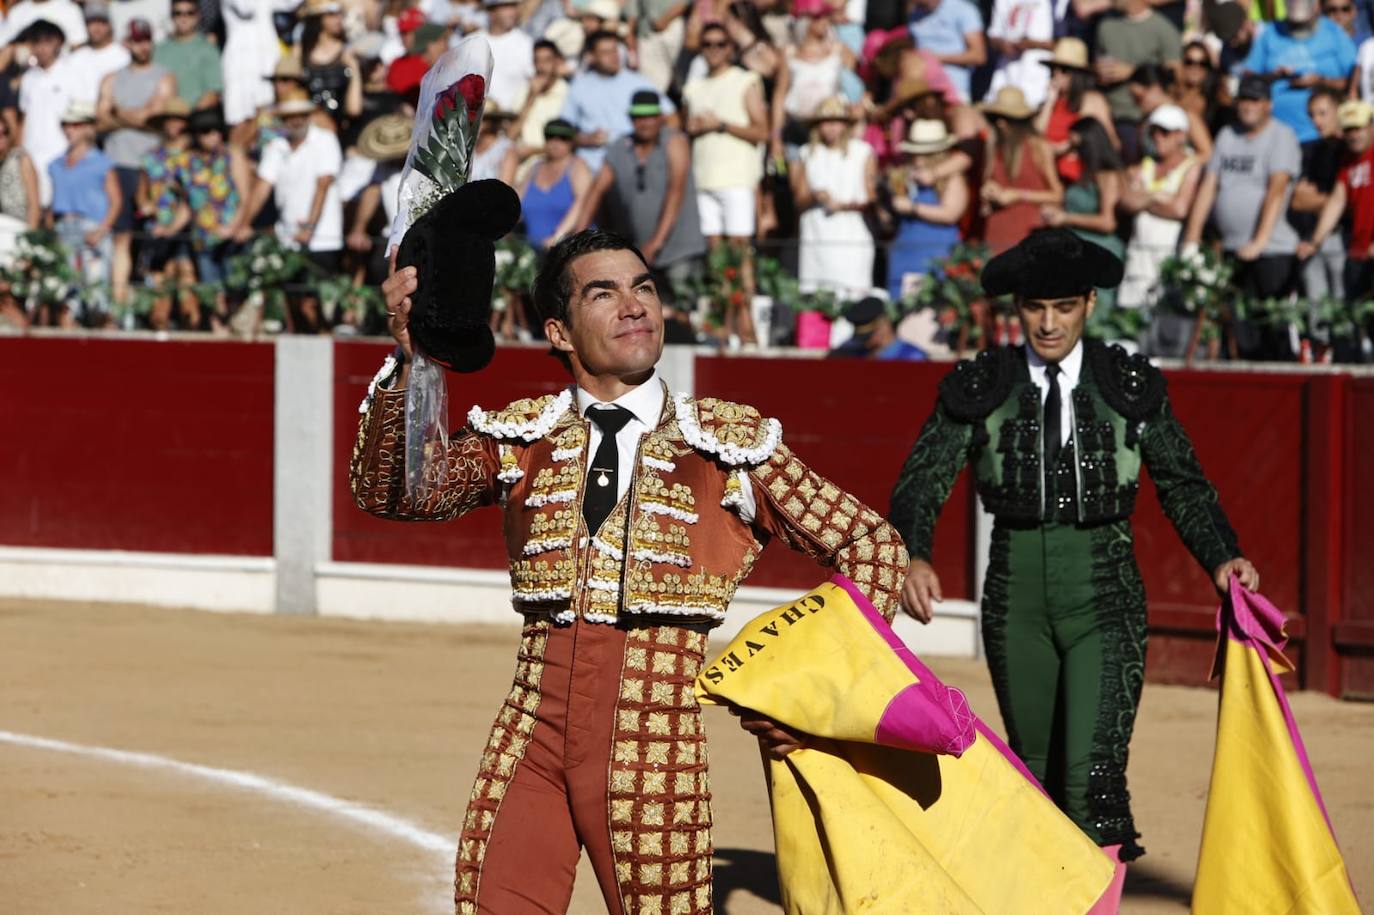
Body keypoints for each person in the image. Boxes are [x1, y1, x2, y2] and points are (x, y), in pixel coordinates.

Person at [359, 226, 912, 913]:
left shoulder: (726, 445)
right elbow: (399, 490)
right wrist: (412, 360)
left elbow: (873, 546)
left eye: (644, 287)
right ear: (559, 331)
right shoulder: (525, 437)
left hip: (656, 747)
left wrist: (811, 689)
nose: (635, 305)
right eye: (605, 292)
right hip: (531, 731)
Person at [889, 227, 1259, 914]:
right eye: (1035, 307)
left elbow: (1183, 482)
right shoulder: (984, 384)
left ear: (1090, 302)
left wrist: (1221, 554)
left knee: (1093, 779)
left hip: (1106, 592)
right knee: (1034, 774)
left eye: (1064, 305)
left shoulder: (1127, 385)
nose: (1049, 322)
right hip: (1015, 597)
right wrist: (914, 550)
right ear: (1018, 309)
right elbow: (921, 480)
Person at [1183, 75, 1302, 358]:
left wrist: (1259, 241)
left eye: (1255, 100)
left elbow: (1276, 190)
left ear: (1268, 105)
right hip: (1232, 250)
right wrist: (1191, 238)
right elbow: (1209, 187)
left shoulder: (1280, 135)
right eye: (1244, 99)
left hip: (1273, 250)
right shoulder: (1227, 135)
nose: (1248, 106)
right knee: (1240, 328)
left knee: (1274, 326)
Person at [681, 21, 769, 346]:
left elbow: (762, 129)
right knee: (716, 258)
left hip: (736, 179)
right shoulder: (694, 87)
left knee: (739, 255)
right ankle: (723, 325)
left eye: (720, 44)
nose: (714, 49)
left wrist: (720, 125)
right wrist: (695, 127)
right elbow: (685, 127)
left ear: (730, 48)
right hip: (705, 179)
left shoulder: (746, 81)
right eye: (708, 44)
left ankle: (746, 327)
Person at [576, 90, 706, 297]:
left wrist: (656, 243)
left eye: (650, 116)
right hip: (640, 251)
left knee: (684, 313)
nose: (645, 123)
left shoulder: (674, 141)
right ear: (630, 118)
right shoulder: (620, 148)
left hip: (680, 248)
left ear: (660, 118)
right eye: (638, 117)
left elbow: (676, 193)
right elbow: (596, 191)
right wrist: (578, 238)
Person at [239, 97, 344, 331]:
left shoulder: (325, 140)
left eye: (300, 116)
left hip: (322, 238)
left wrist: (309, 227)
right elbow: (262, 187)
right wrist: (244, 224)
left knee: (314, 305)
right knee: (293, 304)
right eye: (289, 117)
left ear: (308, 117)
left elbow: (323, 184)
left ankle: (326, 348)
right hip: (288, 238)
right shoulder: (277, 146)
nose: (296, 121)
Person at [97, 17, 177, 308]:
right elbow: (100, 121)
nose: (142, 46)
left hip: (152, 167)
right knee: (121, 236)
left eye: (146, 40)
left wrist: (118, 111)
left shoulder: (164, 76)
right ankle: (119, 303)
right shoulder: (112, 78)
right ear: (127, 43)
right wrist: (135, 116)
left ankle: (158, 308)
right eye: (136, 40)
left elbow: (156, 119)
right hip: (118, 163)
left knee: (156, 238)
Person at [1118, 103, 1202, 325]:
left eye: (1164, 132)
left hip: (1168, 258)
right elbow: (1125, 201)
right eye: (1153, 131)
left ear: (1181, 135)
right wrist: (1156, 197)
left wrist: (1143, 198)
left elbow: (1179, 209)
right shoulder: (1145, 165)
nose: (1157, 137)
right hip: (1138, 257)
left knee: (1165, 321)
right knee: (1131, 321)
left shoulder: (1192, 166)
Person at [793, 96, 876, 300]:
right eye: (826, 122)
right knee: (818, 299)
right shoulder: (807, 154)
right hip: (816, 235)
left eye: (836, 121)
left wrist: (845, 205)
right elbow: (798, 200)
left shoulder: (862, 152)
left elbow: (871, 197)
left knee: (852, 296)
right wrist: (815, 196)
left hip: (851, 234)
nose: (831, 128)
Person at [46, 101, 121, 326]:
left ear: (88, 127)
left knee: (98, 299)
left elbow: (115, 201)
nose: (70, 130)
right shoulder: (56, 164)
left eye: (76, 124)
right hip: (63, 231)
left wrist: (102, 229)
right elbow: (53, 203)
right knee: (67, 299)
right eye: (66, 124)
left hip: (92, 230)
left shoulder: (102, 163)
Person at [1300, 100, 1374, 326]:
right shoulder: (1348, 161)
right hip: (1359, 251)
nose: (1354, 135)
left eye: (1359, 128)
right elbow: (1337, 200)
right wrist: (1315, 241)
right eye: (1349, 129)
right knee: (1358, 321)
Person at [1244, 0, 1356, 144]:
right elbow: (1248, 78)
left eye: (1303, 27)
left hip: (1323, 136)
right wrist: (1276, 76)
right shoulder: (1270, 33)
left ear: (1316, 7)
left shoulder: (1333, 32)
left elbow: (1354, 81)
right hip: (1277, 136)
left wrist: (1321, 81)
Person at [1043, 118, 1125, 314]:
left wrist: (1066, 218)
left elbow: (1108, 221)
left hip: (1099, 251)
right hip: (1076, 251)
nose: (1071, 150)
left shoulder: (1107, 175)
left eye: (1076, 145)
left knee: (1093, 313)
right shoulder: (1084, 175)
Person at [562, 30, 675, 173]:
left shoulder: (638, 82)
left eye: (615, 50)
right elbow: (564, 131)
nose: (614, 57)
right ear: (591, 57)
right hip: (591, 168)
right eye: (606, 52)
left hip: (632, 167)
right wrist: (585, 139)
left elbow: (671, 117)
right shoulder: (578, 86)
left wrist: (650, 147)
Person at [171, 106, 251, 302]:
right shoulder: (186, 162)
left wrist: (234, 227)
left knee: (237, 289)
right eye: (207, 132)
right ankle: (218, 330)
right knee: (211, 292)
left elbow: (246, 197)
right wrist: (169, 229)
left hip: (232, 236)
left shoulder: (232, 156)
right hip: (203, 237)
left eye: (217, 131)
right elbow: (188, 205)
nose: (214, 136)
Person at [885, 118, 967, 299]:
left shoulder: (950, 177)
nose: (918, 159)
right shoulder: (903, 175)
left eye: (925, 154)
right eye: (915, 153)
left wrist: (913, 208)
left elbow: (951, 213)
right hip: (904, 256)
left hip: (936, 255)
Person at [1094, 0, 1182, 163]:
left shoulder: (1163, 29)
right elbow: (1098, 64)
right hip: (1107, 113)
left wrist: (1133, 72)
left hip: (1141, 117)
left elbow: (1175, 75)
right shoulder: (1105, 26)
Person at [979, 86, 1062, 254]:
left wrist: (1017, 195)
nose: (1001, 123)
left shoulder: (1037, 146)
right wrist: (988, 193)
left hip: (1028, 232)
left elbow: (1057, 194)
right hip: (997, 231)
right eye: (996, 118)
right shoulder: (993, 146)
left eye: (1007, 118)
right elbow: (990, 184)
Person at [139, 96, 195, 330]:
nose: (173, 125)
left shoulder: (194, 157)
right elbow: (142, 191)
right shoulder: (152, 156)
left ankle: (191, 329)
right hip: (158, 226)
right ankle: (160, 329)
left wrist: (180, 189)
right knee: (159, 283)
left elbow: (197, 196)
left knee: (185, 279)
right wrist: (145, 204)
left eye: (178, 120)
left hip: (185, 228)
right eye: (169, 120)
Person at [1290, 87, 1348, 305]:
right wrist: (1332, 201)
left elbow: (1349, 201)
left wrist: (1331, 201)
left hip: (1343, 239)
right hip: (1313, 236)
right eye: (1312, 114)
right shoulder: (1313, 151)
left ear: (1339, 111)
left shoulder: (1352, 150)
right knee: (1318, 306)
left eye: (1323, 113)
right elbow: (1298, 200)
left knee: (1344, 306)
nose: (1316, 121)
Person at [17, 20, 82, 208]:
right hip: (31, 154)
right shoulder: (28, 78)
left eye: (47, 41)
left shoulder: (72, 74)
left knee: (57, 210)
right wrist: (20, 152)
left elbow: (82, 117)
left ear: (58, 42)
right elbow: (24, 118)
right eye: (36, 42)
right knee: (32, 206)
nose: (41, 48)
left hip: (61, 153)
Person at [1035, 39, 1118, 185]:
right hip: (1048, 174)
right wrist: (1049, 101)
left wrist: (1066, 146)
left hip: (1078, 176)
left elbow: (1106, 141)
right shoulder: (1048, 104)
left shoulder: (1091, 100)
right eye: (1053, 69)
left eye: (1064, 70)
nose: (1057, 74)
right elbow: (1036, 136)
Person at [222, 0, 303, 145]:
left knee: (277, 112)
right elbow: (246, 7)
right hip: (240, 67)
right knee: (241, 121)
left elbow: (290, 3)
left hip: (267, 61)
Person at [519, 118, 592, 248]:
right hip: (532, 250)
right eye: (550, 136)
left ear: (572, 141)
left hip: (569, 249)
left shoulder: (578, 167)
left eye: (563, 138)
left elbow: (582, 202)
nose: (555, 142)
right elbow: (517, 201)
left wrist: (558, 236)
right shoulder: (534, 168)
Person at [299, 0, 364, 132]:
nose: (339, 19)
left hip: (343, 131)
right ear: (318, 18)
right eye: (331, 14)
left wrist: (354, 68)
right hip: (309, 132)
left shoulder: (349, 53)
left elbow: (354, 109)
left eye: (340, 14)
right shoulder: (301, 54)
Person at [1127, 64, 1213, 163]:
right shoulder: (1144, 122)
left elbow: (1208, 154)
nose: (1136, 104)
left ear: (1155, 88)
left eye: (1139, 97)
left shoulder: (1187, 116)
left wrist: (1179, 167)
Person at [907, 0, 986, 104]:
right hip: (920, 92)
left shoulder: (963, 10)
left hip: (953, 93)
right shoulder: (914, 14)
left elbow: (978, 56)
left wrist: (935, 58)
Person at [153, 0, 222, 110]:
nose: (183, 18)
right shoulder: (158, 50)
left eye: (190, 13)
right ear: (171, 15)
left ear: (198, 16)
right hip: (161, 117)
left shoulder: (208, 49)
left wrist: (188, 116)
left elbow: (213, 93)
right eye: (178, 13)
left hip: (195, 119)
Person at [984, 0, 1053, 108]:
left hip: (1036, 82)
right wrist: (1002, 45)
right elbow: (993, 35)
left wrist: (1027, 44)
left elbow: (1058, 41)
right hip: (1006, 78)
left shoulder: (1051, 3)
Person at [472, 0, 533, 111]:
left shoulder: (526, 43)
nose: (512, 12)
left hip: (512, 119)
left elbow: (533, 83)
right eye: (505, 7)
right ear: (491, 11)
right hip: (478, 121)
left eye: (513, 6)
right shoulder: (472, 42)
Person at [67, 1, 132, 105]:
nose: (96, 28)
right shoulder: (75, 58)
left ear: (110, 25)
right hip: (80, 115)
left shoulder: (123, 56)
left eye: (101, 22)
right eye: (91, 23)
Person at [829, 294, 928, 358]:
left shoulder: (912, 357)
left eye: (869, 335)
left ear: (884, 325)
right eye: (861, 338)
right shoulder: (855, 353)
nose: (865, 342)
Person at [625, 0, 688, 93]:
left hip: (674, 26)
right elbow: (633, 6)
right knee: (653, 82)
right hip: (647, 31)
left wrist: (666, 18)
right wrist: (630, 32)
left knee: (680, 78)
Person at [1174, 39, 1233, 137]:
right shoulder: (1173, 94)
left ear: (1208, 67)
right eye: (1189, 62)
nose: (1195, 67)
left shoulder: (1218, 97)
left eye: (1202, 63)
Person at [0, 119, 41, 229]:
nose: (1, 138)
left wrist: (30, 236)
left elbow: (34, 204)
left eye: (5, 132)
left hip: (19, 225)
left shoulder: (20, 158)